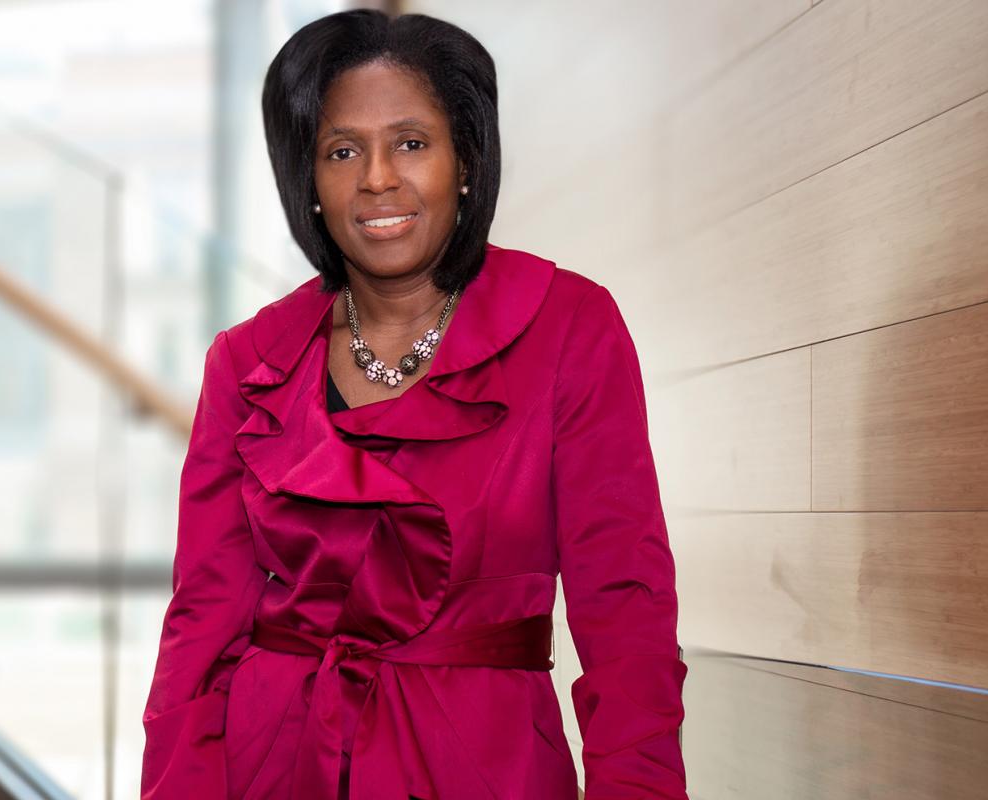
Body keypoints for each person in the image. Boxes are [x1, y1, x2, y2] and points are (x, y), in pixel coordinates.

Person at [140, 9, 687, 800]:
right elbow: (202, 623)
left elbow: (625, 613)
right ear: (310, 181)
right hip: (275, 764)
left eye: (410, 142)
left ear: (465, 159)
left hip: (484, 765)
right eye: (341, 150)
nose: (376, 179)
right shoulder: (245, 359)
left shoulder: (570, 325)